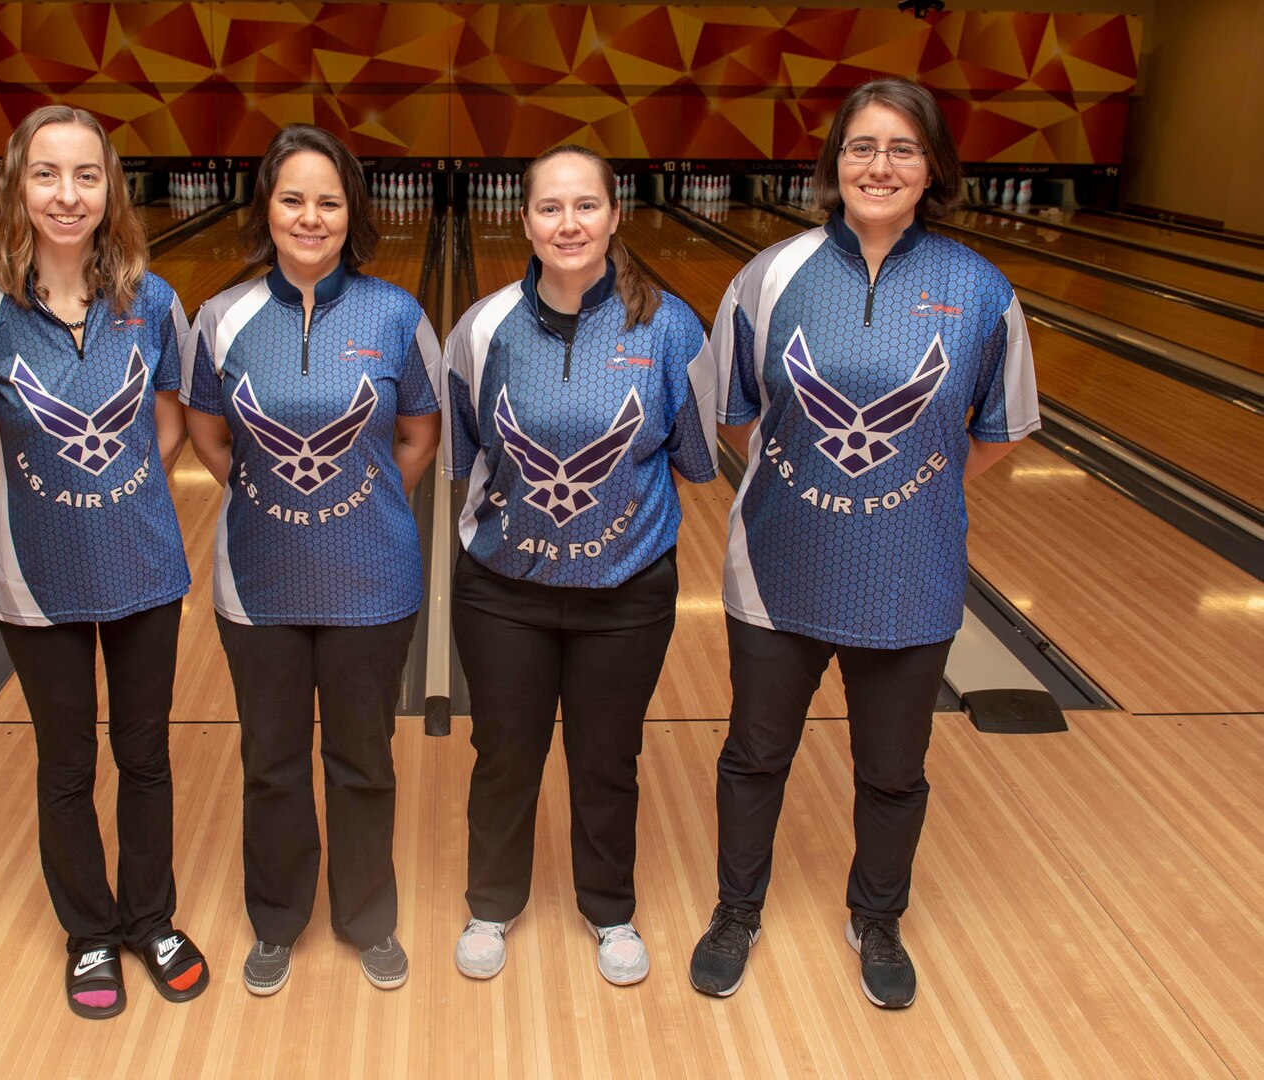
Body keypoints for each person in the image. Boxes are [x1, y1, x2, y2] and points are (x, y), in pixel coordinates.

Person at [689, 77, 1040, 1008]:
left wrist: (902, 493)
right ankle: (736, 909)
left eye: (901, 148)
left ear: (932, 168)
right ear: (833, 162)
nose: (878, 165)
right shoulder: (766, 276)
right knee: (755, 754)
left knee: (893, 770)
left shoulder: (979, 289)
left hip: (911, 570)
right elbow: (734, 416)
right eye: (860, 146)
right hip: (778, 565)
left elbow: (999, 432)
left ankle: (876, 918)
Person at [0, 104, 208, 1020]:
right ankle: (89, 933)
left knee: (145, 754)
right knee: (64, 764)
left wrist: (118, 498)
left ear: (110, 190)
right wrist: (32, 531)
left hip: (143, 567)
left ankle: (149, 919)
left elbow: (167, 420)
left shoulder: (154, 301)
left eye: (85, 176)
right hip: (36, 584)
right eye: (46, 175)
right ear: (17, 186)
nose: (66, 194)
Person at [443, 144, 718, 986]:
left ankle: (609, 910)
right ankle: (491, 904)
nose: (568, 223)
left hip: (626, 589)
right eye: (550, 208)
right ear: (522, 218)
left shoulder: (670, 327)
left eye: (585, 206)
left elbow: (694, 456)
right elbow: (464, 454)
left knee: (607, 755)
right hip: (502, 590)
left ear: (613, 214)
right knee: (504, 753)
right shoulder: (481, 328)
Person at [182, 124, 442, 996]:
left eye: (328, 201)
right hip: (258, 582)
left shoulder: (396, 314)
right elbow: (207, 433)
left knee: (364, 759)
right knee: (272, 758)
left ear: (351, 213)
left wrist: (359, 500)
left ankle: (367, 918)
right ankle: (277, 919)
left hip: (373, 580)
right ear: (267, 206)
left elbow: (417, 435)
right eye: (292, 198)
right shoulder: (222, 319)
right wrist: (267, 494)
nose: (310, 216)